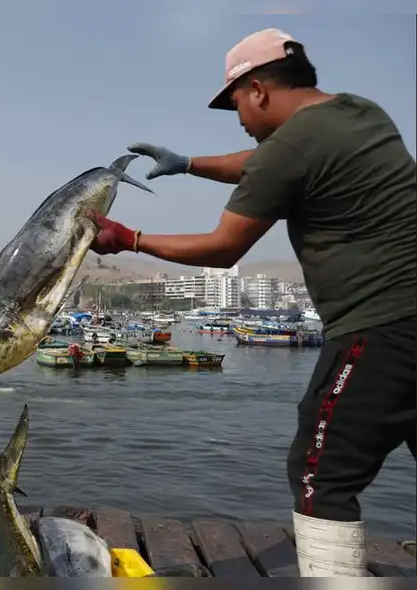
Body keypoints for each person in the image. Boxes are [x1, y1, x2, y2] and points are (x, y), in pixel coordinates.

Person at [90, 28, 416, 577]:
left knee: (321, 473)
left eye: (236, 101)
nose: (238, 116)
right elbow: (261, 163)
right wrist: (189, 163)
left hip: (380, 325)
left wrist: (130, 239)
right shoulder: (361, 114)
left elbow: (222, 248)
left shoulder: (285, 152)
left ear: (259, 90)